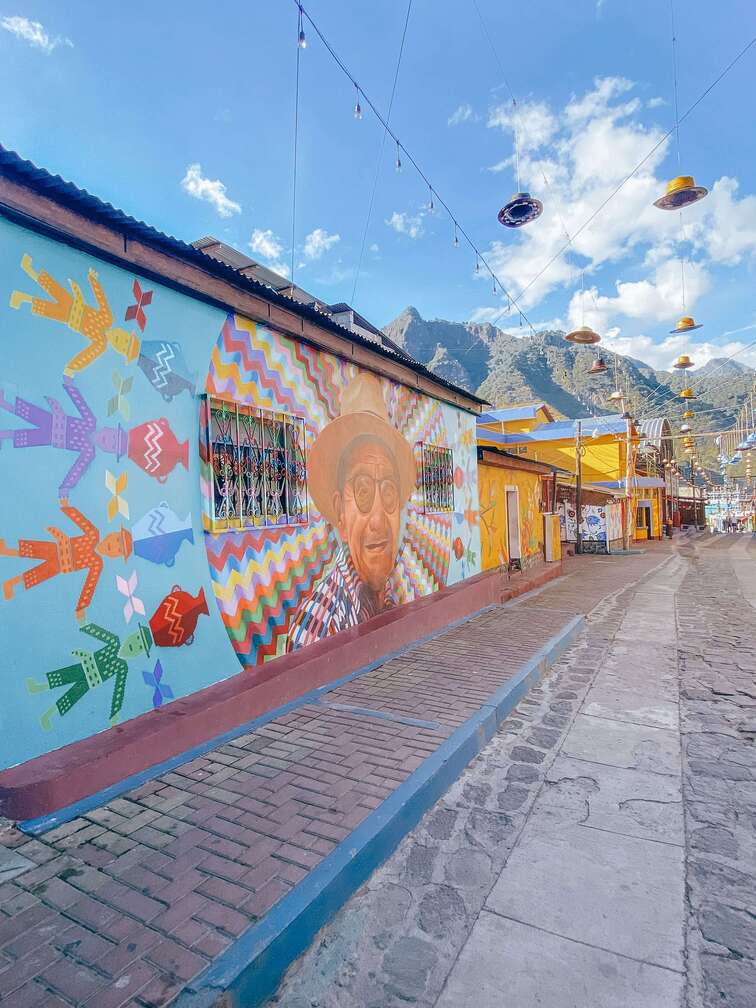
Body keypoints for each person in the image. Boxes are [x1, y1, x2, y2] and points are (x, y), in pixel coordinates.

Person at [287, 373, 416, 651]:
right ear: (340, 514)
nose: (379, 521)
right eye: (363, 490)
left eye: (390, 490)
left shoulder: (388, 596)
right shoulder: (318, 626)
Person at [1, 499, 132, 621]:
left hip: (60, 566)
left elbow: (89, 585)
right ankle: (6, 550)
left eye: (119, 550)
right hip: (57, 548)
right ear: (111, 534)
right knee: (32, 549)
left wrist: (82, 606)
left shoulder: (97, 563)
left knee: (37, 575)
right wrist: (66, 506)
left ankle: (11, 584)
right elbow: (81, 521)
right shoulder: (94, 534)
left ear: (115, 556)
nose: (114, 546)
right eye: (117, 540)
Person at [9, 254, 139, 375]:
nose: (121, 341)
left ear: (117, 350)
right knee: (53, 288)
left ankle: (21, 297)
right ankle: (29, 269)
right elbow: (101, 300)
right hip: (74, 304)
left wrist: (72, 368)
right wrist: (93, 280)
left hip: (70, 318)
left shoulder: (101, 343)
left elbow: (87, 356)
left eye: (122, 347)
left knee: (46, 309)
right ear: (124, 331)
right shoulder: (108, 319)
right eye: (126, 339)